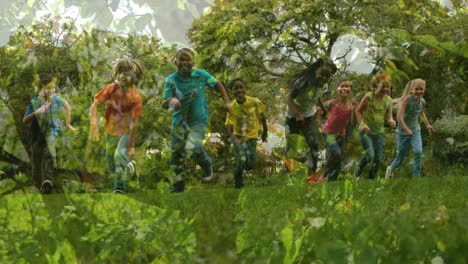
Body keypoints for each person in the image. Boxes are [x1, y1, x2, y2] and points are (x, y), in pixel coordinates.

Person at [162, 48, 232, 192]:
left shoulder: (201, 75)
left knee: (194, 147)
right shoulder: (171, 80)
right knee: (176, 155)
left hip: (198, 121)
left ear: (193, 62)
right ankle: (177, 188)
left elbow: (218, 84)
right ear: (176, 62)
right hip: (179, 123)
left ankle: (206, 164)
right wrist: (171, 100)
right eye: (181, 59)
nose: (184, 62)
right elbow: (163, 103)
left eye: (188, 59)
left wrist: (227, 102)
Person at [89, 58, 145, 193]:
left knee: (119, 156)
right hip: (111, 131)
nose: (121, 76)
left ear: (135, 77)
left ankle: (119, 189)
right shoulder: (111, 89)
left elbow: (135, 122)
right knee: (111, 165)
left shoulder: (135, 97)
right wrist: (94, 124)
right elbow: (94, 105)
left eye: (126, 74)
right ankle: (130, 167)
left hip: (126, 133)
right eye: (120, 72)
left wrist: (131, 146)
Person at [23, 73, 77, 193]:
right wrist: (36, 112)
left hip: (51, 132)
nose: (51, 90)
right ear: (40, 89)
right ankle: (38, 186)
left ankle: (47, 181)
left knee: (50, 153)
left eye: (53, 87)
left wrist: (68, 124)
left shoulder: (56, 99)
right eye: (48, 88)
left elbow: (67, 106)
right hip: (36, 134)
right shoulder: (34, 102)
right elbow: (25, 120)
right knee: (37, 162)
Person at [285, 59, 337, 176]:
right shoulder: (303, 83)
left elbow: (316, 97)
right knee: (291, 147)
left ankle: (311, 176)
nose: (323, 78)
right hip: (292, 117)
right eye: (322, 74)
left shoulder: (323, 86)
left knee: (314, 145)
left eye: (327, 76)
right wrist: (297, 114)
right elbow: (289, 98)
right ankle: (289, 175)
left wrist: (323, 109)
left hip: (308, 117)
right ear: (315, 72)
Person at [385, 79, 434, 178]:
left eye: (421, 89)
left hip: (415, 131)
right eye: (417, 89)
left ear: (424, 89)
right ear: (411, 89)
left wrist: (427, 124)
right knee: (400, 158)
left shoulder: (423, 102)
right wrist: (406, 130)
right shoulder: (407, 99)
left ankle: (416, 177)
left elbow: (421, 112)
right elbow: (399, 117)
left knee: (418, 152)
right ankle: (390, 169)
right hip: (402, 132)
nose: (419, 91)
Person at [225, 78, 268, 188]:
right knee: (238, 162)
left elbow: (262, 118)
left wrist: (265, 131)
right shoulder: (232, 108)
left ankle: (244, 165)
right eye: (236, 88)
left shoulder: (255, 102)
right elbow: (230, 131)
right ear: (232, 91)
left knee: (250, 164)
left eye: (241, 87)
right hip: (238, 136)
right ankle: (238, 186)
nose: (239, 90)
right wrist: (237, 140)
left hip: (252, 136)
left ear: (245, 89)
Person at [311, 80, 355, 182]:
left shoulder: (352, 105)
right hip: (328, 133)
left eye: (347, 87)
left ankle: (331, 183)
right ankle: (323, 176)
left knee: (338, 161)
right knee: (336, 153)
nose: (344, 89)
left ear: (351, 90)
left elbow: (353, 119)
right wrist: (314, 117)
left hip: (341, 134)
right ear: (337, 89)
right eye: (342, 86)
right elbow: (318, 110)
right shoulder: (332, 103)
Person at [354, 74, 396, 179]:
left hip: (379, 133)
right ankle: (358, 171)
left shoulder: (389, 100)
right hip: (365, 132)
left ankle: (370, 180)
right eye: (383, 86)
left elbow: (389, 116)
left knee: (377, 160)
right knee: (370, 156)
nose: (385, 89)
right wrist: (362, 124)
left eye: (388, 87)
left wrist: (391, 120)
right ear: (376, 86)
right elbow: (358, 112)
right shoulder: (369, 97)